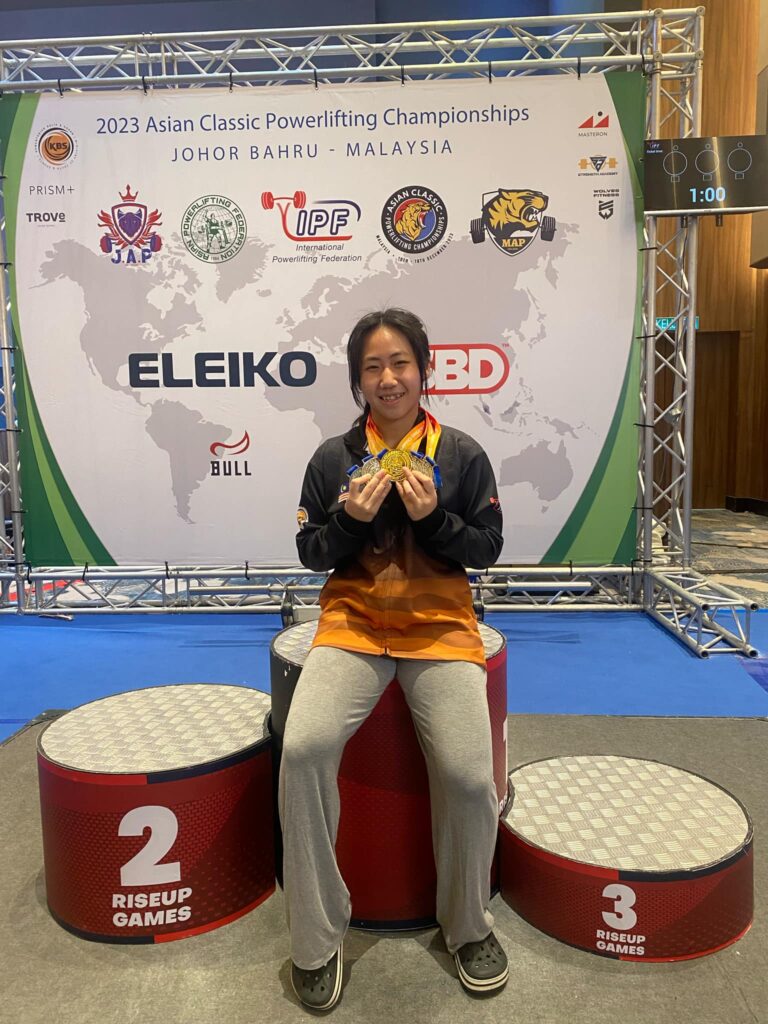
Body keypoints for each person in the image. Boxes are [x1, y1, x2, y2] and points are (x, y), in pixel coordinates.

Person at [279, 308, 507, 1010]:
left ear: (423, 369)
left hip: (439, 628)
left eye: (400, 363)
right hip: (353, 626)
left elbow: (487, 548)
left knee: (469, 777)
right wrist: (349, 521)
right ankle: (316, 939)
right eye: (373, 366)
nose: (388, 378)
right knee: (302, 749)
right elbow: (311, 552)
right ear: (358, 380)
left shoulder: (461, 454)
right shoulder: (332, 458)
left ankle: (468, 926)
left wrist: (433, 518)